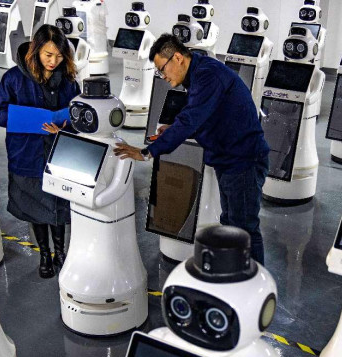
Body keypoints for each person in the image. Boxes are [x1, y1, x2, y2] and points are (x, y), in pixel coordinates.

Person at [114, 34, 270, 264]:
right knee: (230, 222)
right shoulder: (198, 75)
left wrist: (148, 152)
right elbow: (205, 116)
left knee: (244, 227)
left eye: (162, 69)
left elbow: (191, 119)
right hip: (227, 159)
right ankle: (238, 272)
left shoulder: (208, 75)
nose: (163, 76)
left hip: (243, 160)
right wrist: (173, 127)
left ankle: (256, 282)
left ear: (177, 58)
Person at [0, 25, 80, 278]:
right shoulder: (13, 79)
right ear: (36, 50)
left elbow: (78, 112)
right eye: (48, 55)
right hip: (27, 151)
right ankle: (44, 253)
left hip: (59, 149)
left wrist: (66, 123)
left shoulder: (69, 80)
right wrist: (26, 117)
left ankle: (60, 252)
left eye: (60, 56)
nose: (54, 61)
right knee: (34, 203)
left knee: (60, 202)